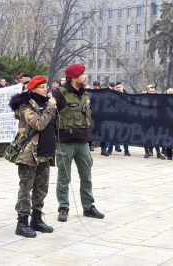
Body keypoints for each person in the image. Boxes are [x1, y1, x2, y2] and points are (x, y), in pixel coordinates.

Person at [52, 63, 104, 222]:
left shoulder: (85, 95)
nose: (85, 77)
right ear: (74, 77)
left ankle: (88, 207)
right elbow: (51, 116)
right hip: (65, 143)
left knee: (86, 177)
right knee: (63, 178)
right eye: (82, 75)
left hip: (83, 143)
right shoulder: (59, 93)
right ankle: (63, 207)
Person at [9, 75, 56, 238]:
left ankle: (36, 218)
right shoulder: (25, 105)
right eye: (42, 86)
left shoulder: (45, 103)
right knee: (26, 188)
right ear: (33, 88)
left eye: (46, 86)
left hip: (44, 152)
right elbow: (38, 124)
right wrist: (50, 108)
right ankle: (21, 223)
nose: (45, 89)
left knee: (41, 187)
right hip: (29, 153)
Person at [143, 85, 165, 159]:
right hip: (146, 120)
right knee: (145, 136)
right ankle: (146, 152)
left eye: (153, 91)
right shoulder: (143, 98)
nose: (152, 93)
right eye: (150, 91)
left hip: (155, 120)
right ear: (147, 91)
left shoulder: (158, 98)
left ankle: (158, 153)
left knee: (156, 136)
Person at [89, 81, 109, 156]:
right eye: (94, 88)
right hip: (93, 116)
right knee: (90, 132)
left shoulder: (104, 93)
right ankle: (89, 148)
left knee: (103, 133)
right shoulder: (91, 93)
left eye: (96, 87)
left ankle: (103, 149)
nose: (95, 89)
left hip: (102, 117)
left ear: (99, 86)